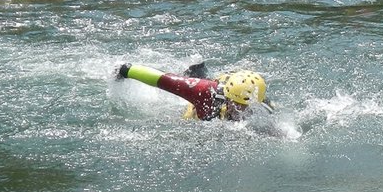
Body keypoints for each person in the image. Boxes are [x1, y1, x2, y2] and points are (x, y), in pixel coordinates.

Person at [115, 61, 273, 122]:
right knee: (190, 118)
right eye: (236, 104)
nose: (241, 111)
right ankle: (196, 70)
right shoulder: (205, 92)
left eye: (246, 106)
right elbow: (163, 79)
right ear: (228, 97)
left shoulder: (264, 107)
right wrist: (126, 70)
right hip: (210, 86)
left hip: (230, 83)